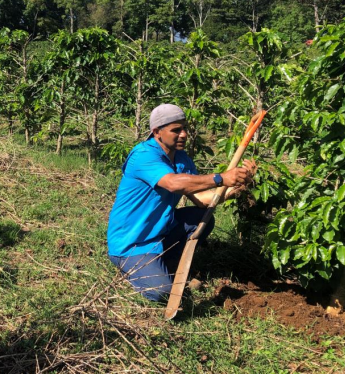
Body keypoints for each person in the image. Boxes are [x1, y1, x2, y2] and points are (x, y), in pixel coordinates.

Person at [107, 104, 256, 301]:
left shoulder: (182, 159)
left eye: (185, 128)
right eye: (176, 130)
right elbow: (172, 183)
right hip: (131, 242)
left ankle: (167, 266)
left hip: (160, 234)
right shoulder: (143, 155)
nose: (184, 134)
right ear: (157, 132)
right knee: (161, 293)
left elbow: (202, 199)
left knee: (200, 219)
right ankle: (134, 270)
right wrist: (221, 178)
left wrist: (234, 188)